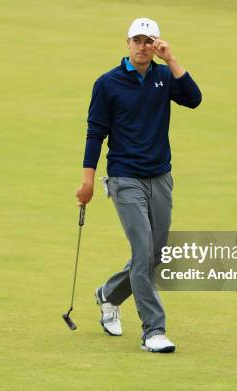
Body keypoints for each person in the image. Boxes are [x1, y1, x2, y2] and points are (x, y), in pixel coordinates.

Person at [75, 17, 202, 353]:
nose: (143, 47)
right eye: (138, 41)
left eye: (149, 41)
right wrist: (87, 180)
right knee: (143, 251)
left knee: (155, 254)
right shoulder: (107, 83)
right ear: (127, 43)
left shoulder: (163, 76)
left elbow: (194, 99)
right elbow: (95, 133)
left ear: (156, 43)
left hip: (160, 176)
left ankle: (109, 294)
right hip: (124, 178)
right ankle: (153, 331)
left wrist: (171, 59)